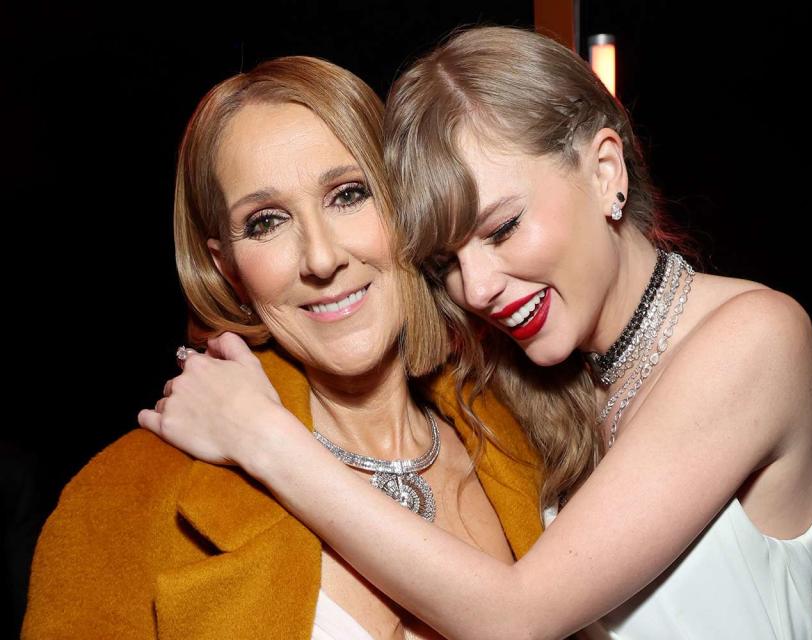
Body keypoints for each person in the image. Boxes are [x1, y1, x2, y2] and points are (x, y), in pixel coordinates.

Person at [141, 27, 812, 639]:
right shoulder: (520, 389)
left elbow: (517, 619)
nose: (475, 290)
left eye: (503, 227)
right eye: (446, 260)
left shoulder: (755, 336)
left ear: (606, 171)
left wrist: (262, 437)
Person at [21, 55, 545, 640]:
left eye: (348, 194)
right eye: (267, 221)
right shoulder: (121, 501)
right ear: (228, 270)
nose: (322, 258)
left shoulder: (524, 438)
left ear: (406, 206)